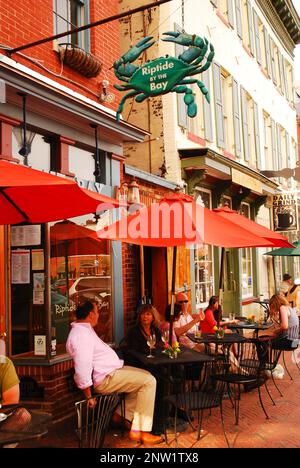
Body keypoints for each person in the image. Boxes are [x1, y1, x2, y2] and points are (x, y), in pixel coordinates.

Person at [66, 301, 162, 444]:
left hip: (111, 371)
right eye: (97, 312)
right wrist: (88, 396)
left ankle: (120, 415)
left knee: (147, 377)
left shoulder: (84, 330)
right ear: (91, 315)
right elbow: (82, 368)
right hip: (106, 378)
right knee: (149, 382)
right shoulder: (81, 335)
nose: (99, 315)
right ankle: (141, 431)